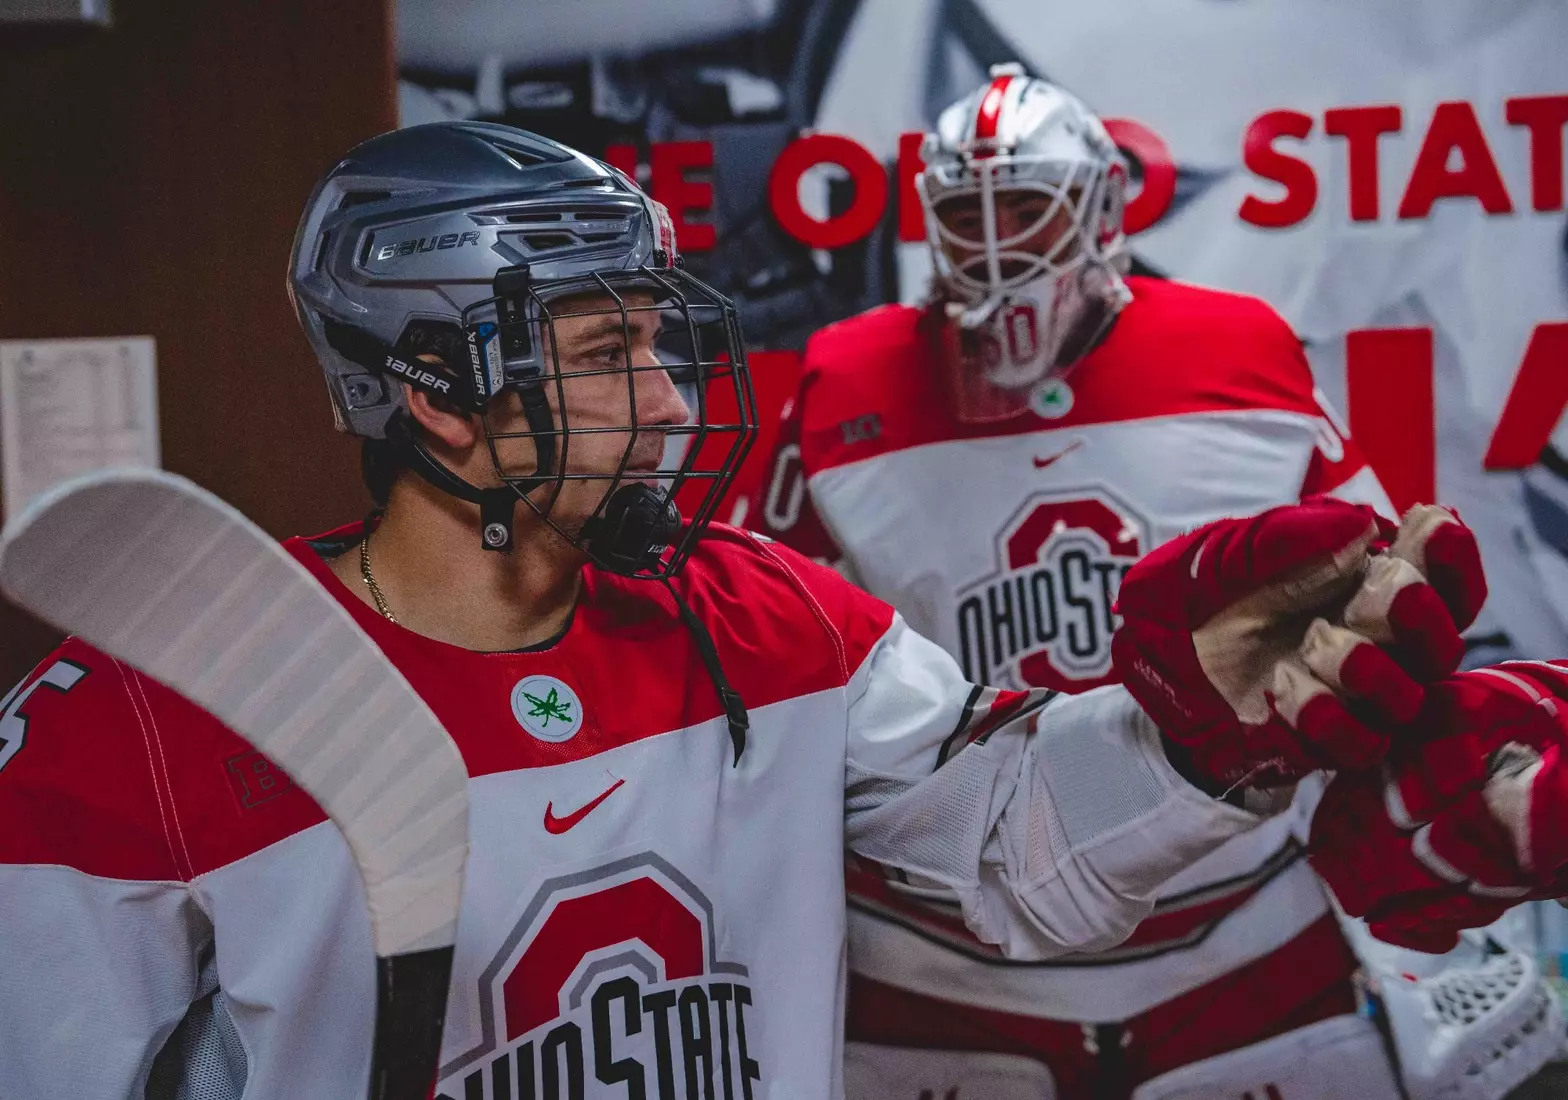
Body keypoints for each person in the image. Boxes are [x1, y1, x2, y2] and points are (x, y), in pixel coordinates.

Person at [0, 121, 1445, 1099]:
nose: (675, 400)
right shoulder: (156, 706)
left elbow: (1011, 858)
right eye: (607, 350)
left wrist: (1186, 737)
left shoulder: (766, 622)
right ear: (435, 391)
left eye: (661, 341)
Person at [741, 67, 1564, 1098]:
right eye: (965, 212)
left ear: (1094, 209)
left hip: (1233, 935)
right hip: (945, 949)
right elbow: (772, 660)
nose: (995, 243)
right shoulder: (842, 381)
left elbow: (1368, 595)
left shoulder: (1234, 351)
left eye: (1025, 208)